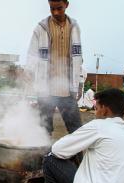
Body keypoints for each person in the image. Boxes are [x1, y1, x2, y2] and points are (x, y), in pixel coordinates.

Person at [43, 89, 124, 183]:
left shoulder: (99, 126)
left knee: (50, 159)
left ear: (105, 109)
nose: (95, 113)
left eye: (97, 108)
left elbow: (57, 149)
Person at [26, 0, 83, 135]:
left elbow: (78, 58)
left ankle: (78, 156)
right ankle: (43, 155)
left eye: (59, 8)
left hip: (67, 90)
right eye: (52, 9)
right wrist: (27, 73)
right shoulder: (41, 28)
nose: (56, 12)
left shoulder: (74, 27)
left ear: (67, 5)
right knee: (44, 129)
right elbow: (32, 55)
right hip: (46, 90)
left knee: (76, 129)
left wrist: (79, 83)